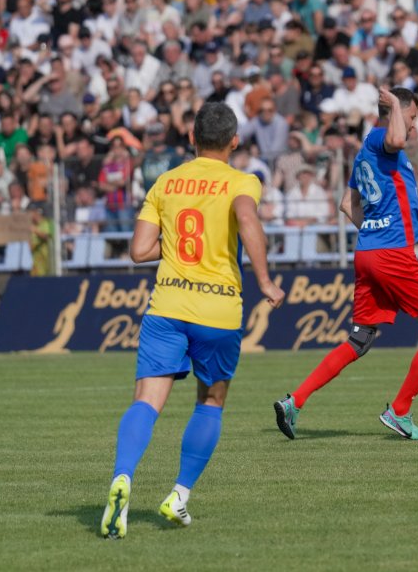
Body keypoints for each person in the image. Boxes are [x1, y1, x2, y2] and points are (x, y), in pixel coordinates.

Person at [100, 103, 286, 539]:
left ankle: (122, 476)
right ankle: (179, 495)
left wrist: (175, 246)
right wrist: (265, 280)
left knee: (146, 401)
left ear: (191, 138)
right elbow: (246, 218)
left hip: (167, 306)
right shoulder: (243, 181)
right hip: (218, 310)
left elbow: (139, 250)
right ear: (234, 141)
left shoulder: (165, 182)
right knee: (211, 401)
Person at [273, 87, 418, 441]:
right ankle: (399, 411)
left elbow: (347, 204)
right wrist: (395, 106)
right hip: (393, 253)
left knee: (360, 338)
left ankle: (295, 401)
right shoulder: (380, 139)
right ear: (395, 114)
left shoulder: (364, 155)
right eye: (412, 117)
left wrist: (374, 232)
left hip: (368, 252)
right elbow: (396, 137)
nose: (414, 125)